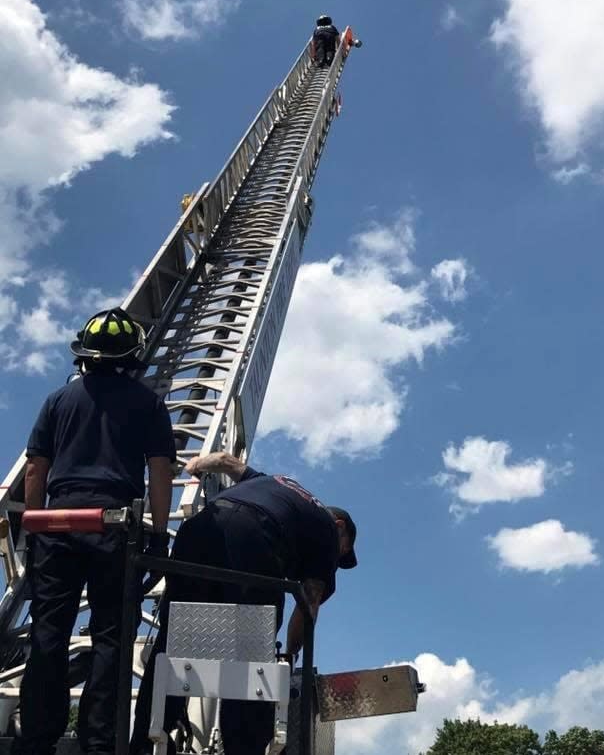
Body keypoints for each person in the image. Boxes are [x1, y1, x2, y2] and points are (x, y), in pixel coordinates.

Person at [14, 308, 176, 755]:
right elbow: (160, 470)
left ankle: (35, 740)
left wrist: (35, 524)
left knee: (48, 632)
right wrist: (159, 535)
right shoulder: (148, 402)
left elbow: (35, 469)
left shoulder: (57, 401)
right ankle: (99, 743)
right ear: (132, 354)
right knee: (111, 636)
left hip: (57, 525)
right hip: (115, 528)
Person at [130, 451, 357, 755]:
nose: (338, 560)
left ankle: (145, 740)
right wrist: (289, 655)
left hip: (200, 529)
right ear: (340, 526)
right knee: (251, 651)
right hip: (254, 540)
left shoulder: (275, 482)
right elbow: (309, 602)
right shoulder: (328, 530)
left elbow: (224, 460)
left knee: (175, 638)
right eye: (344, 553)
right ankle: (244, 747)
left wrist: (194, 466)